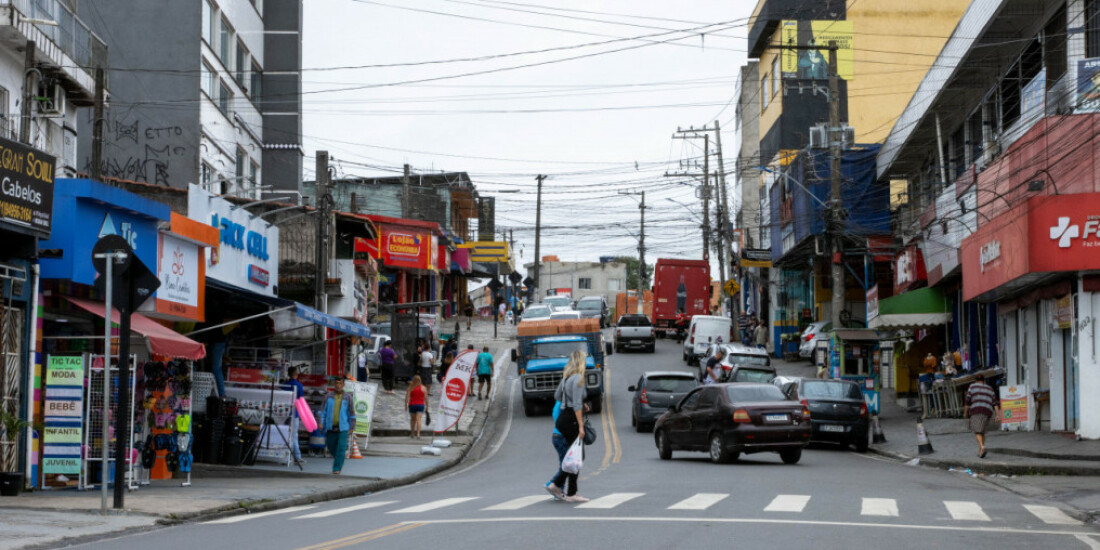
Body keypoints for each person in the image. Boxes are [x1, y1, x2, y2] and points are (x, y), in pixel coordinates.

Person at [546, 350, 589, 503]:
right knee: (577, 456)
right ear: (581, 362)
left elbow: (557, 396)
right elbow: (576, 404)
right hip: (571, 418)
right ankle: (565, 488)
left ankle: (563, 487)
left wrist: (575, 401)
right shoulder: (578, 378)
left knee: (575, 455)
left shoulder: (566, 378)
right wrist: (581, 426)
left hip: (563, 418)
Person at [320, 378, 356, 474]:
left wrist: (352, 427)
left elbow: (352, 414)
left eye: (340, 383)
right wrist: (320, 422)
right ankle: (340, 458)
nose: (338, 385)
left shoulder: (348, 397)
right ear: (334, 384)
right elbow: (322, 411)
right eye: (336, 383)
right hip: (331, 427)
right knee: (331, 446)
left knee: (341, 448)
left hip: (343, 428)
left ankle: (336, 468)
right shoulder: (328, 397)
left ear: (343, 384)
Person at [963, 374, 1001, 458]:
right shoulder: (990, 388)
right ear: (984, 381)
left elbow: (967, 401)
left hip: (976, 410)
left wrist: (965, 413)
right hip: (987, 412)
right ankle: (980, 451)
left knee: (977, 431)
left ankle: (982, 446)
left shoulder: (972, 386)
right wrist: (997, 415)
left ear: (976, 380)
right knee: (982, 431)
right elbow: (995, 403)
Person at [282, 367, 306, 464]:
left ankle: (285, 454)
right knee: (294, 435)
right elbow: (301, 399)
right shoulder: (299, 385)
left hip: (283, 412)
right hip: (294, 412)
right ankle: (297, 456)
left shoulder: (284, 385)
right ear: (296, 374)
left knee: (284, 433)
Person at [405, 374, 427, 439]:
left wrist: (405, 405)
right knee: (419, 420)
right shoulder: (423, 388)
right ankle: (418, 434)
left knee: (412, 420)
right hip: (420, 405)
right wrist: (427, 406)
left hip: (412, 405)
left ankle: (412, 433)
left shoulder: (410, 387)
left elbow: (407, 397)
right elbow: (426, 398)